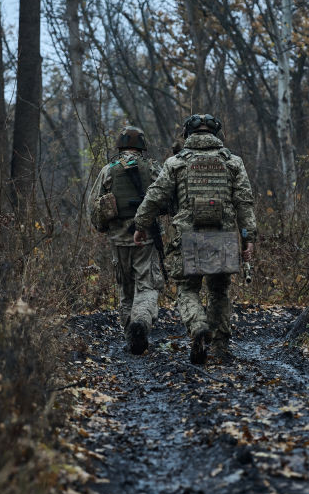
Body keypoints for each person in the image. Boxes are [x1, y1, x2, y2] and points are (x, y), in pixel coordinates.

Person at [133, 113, 256, 365]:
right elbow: (244, 203)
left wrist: (141, 225)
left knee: (187, 289)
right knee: (219, 291)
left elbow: (155, 196)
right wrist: (248, 238)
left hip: (188, 237)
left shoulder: (176, 163)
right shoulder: (233, 162)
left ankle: (198, 326)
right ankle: (219, 346)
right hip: (222, 237)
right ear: (216, 134)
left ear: (187, 134)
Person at [88, 126, 166, 355]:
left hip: (118, 238)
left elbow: (94, 206)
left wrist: (104, 227)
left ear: (120, 145)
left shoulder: (108, 170)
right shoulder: (152, 167)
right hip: (146, 236)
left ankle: (131, 336)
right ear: (142, 145)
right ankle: (140, 322)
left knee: (126, 288)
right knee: (147, 285)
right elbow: (166, 197)